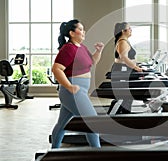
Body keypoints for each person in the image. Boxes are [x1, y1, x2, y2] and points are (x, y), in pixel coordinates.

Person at [51, 19, 104, 148]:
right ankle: (98, 154)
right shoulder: (68, 49)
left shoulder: (81, 47)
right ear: (72, 33)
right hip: (73, 91)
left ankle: (54, 151)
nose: (83, 32)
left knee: (62, 124)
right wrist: (69, 86)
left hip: (79, 91)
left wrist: (98, 51)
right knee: (92, 122)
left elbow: (92, 62)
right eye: (80, 29)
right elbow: (56, 69)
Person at [109, 22, 142, 114]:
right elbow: (124, 58)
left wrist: (136, 65)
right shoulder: (122, 42)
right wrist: (135, 67)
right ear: (123, 31)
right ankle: (121, 116)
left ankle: (125, 115)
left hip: (124, 69)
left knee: (127, 95)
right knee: (124, 95)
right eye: (129, 28)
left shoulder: (124, 41)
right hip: (122, 70)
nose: (131, 30)